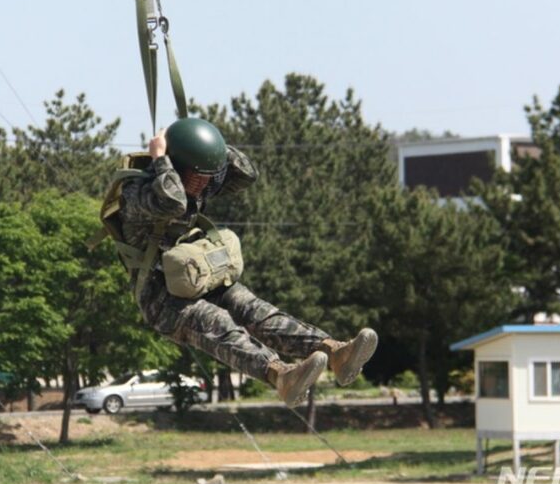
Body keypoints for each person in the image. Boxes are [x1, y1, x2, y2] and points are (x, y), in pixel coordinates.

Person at [116, 118, 377, 407]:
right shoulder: (137, 191)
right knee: (218, 323)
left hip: (199, 279)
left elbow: (246, 174)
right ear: (176, 166)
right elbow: (172, 201)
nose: (204, 185)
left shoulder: (194, 180)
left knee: (256, 310)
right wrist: (162, 157)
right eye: (197, 177)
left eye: (208, 177)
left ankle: (335, 353)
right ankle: (281, 376)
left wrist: (210, 146)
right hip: (163, 301)